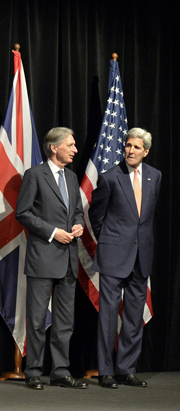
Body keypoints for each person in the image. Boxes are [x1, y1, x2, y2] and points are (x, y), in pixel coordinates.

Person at [15, 127, 87, 390]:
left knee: (65, 322)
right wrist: (53, 232)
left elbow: (77, 211)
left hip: (68, 260)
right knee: (36, 321)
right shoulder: (35, 175)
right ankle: (33, 371)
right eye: (70, 144)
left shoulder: (72, 177)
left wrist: (78, 225)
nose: (75, 150)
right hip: (43, 259)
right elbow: (22, 212)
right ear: (54, 148)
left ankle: (60, 371)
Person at [90, 128, 161, 389]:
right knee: (108, 316)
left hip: (142, 256)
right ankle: (106, 371)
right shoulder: (109, 178)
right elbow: (96, 216)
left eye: (136, 147)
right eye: (128, 146)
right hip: (113, 256)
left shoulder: (156, 176)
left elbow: (146, 219)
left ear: (146, 151)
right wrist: (110, 241)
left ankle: (126, 369)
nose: (130, 151)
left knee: (133, 316)